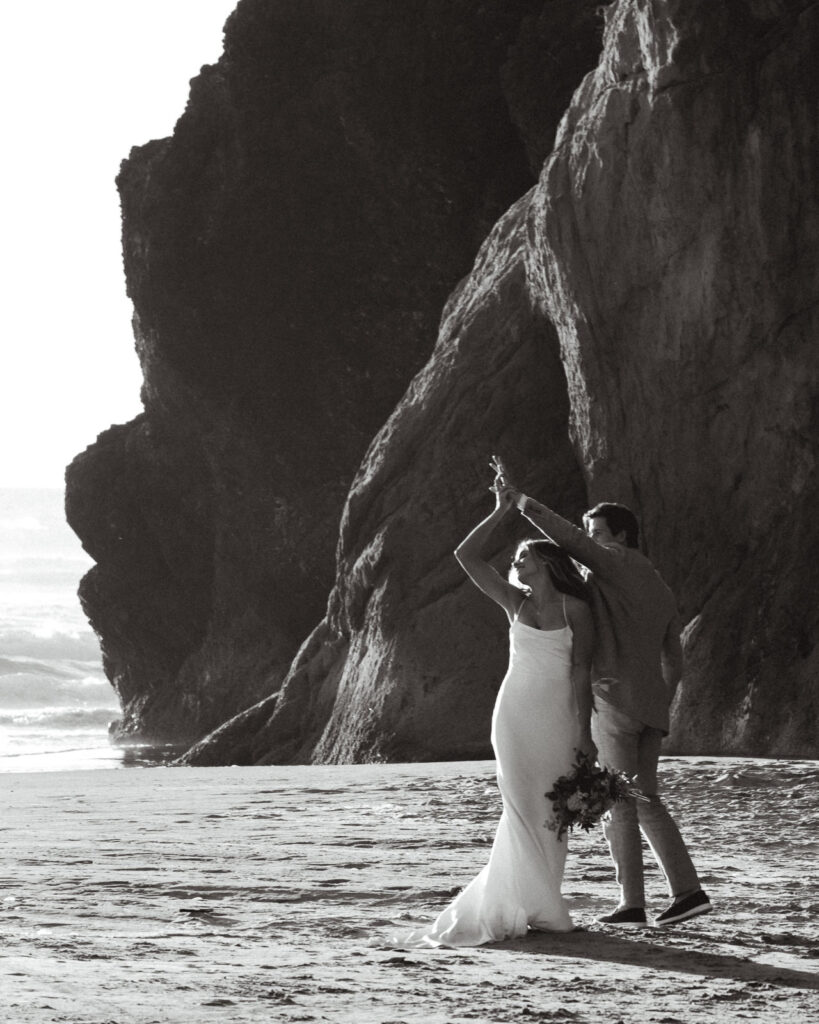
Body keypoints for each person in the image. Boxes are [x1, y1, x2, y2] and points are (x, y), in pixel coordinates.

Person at [395, 464, 595, 947]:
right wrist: (500, 511)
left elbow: (581, 672)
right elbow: (466, 555)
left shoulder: (577, 609)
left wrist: (585, 732)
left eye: (524, 559)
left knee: (552, 806)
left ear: (545, 564)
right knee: (521, 805)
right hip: (514, 715)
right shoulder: (515, 603)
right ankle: (532, 904)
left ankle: (541, 902)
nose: (516, 566)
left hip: (558, 718)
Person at [507, 474, 711, 928]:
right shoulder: (658, 585)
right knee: (646, 799)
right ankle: (686, 892)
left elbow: (572, 541)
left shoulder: (614, 563)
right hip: (650, 707)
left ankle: (634, 904)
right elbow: (673, 654)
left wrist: (522, 501)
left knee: (620, 800)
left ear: (621, 537)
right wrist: (660, 698)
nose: (592, 542)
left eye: (599, 533)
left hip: (615, 699)